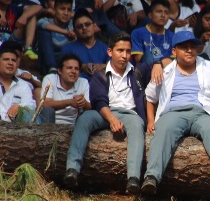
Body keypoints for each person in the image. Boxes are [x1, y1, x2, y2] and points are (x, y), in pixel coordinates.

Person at [141, 31, 210, 195]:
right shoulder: (164, 71)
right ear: (174, 51)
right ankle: (152, 177)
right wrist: (150, 121)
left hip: (202, 112)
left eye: (193, 47)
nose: (190, 50)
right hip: (173, 113)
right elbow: (150, 97)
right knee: (163, 131)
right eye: (184, 47)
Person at [63, 32, 151, 192]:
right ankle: (72, 169)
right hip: (105, 112)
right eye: (120, 51)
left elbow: (159, 65)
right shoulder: (100, 75)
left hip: (130, 114)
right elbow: (99, 101)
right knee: (85, 119)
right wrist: (112, 119)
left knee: (137, 126)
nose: (125, 55)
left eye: (128, 51)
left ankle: (133, 178)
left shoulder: (138, 70)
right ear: (110, 52)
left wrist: (158, 63)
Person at [39, 54, 90, 125]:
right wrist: (70, 102)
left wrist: (83, 102)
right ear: (59, 70)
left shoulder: (83, 82)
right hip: (48, 123)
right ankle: (49, 135)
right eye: (69, 68)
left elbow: (90, 107)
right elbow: (45, 104)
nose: (73, 71)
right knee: (48, 110)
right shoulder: (50, 79)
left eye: (76, 69)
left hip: (71, 125)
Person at [61, 9, 111, 81]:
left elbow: (114, 68)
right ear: (75, 31)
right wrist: (82, 67)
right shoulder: (67, 49)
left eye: (87, 24)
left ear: (94, 26)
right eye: (80, 26)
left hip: (101, 87)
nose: (84, 28)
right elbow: (64, 72)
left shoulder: (106, 48)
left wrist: (103, 66)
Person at [37, 0, 76, 74]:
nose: (66, 13)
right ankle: (52, 68)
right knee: (43, 32)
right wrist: (66, 32)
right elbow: (41, 24)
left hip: (64, 60)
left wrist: (75, 37)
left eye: (69, 10)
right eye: (62, 9)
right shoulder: (45, 20)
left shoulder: (71, 24)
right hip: (45, 62)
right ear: (54, 10)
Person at [131, 0, 175, 66]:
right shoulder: (138, 33)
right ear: (150, 15)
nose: (163, 15)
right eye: (159, 11)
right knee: (148, 56)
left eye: (166, 13)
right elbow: (138, 60)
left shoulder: (172, 36)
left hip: (166, 73)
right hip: (145, 72)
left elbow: (173, 62)